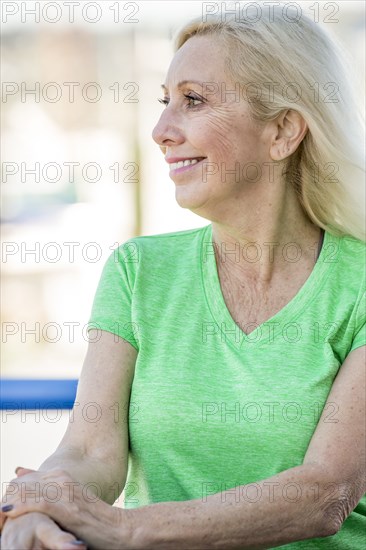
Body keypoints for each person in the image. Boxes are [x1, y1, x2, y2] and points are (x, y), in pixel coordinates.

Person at [1, 6, 365, 549]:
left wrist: (124, 530)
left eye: (193, 101)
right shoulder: (137, 271)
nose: (161, 131)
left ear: (284, 131)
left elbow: (323, 495)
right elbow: (89, 454)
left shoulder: (358, 285)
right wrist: (39, 507)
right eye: (164, 101)